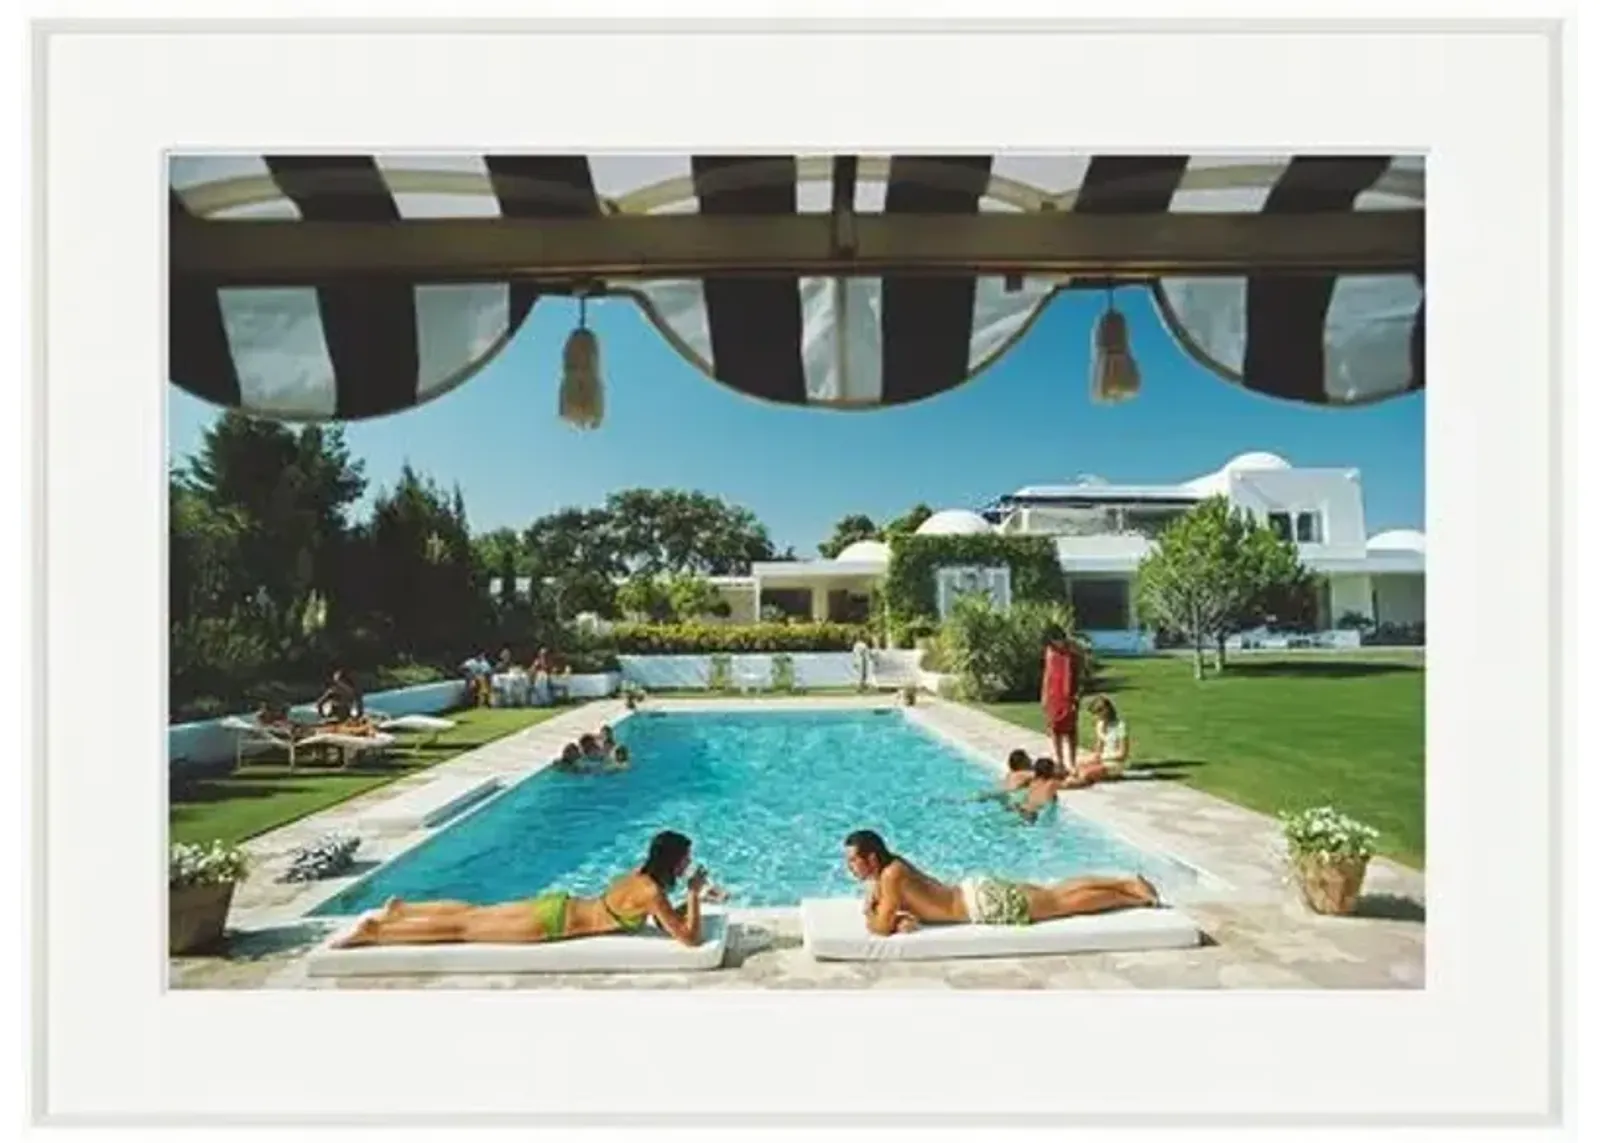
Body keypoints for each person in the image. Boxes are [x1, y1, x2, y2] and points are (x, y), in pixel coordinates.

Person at [333, 831, 722, 949]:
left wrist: (693, 894)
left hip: (560, 904)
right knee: (463, 931)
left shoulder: (641, 874)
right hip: (550, 924)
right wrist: (692, 894)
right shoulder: (653, 893)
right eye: (685, 859)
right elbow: (688, 938)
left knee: (474, 912)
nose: (688, 864)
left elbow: (658, 914)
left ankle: (403, 910)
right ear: (672, 860)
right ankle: (377, 931)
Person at [842, 828, 1159, 935]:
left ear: (871, 858)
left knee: (1061, 903)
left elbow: (880, 928)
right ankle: (1127, 883)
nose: (850, 867)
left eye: (853, 861)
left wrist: (872, 913)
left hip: (982, 905)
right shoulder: (892, 868)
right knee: (1054, 893)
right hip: (975, 892)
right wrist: (894, 916)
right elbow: (897, 915)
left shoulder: (891, 876)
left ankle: (1134, 896)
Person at [1062, 695, 1132, 789]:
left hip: (1114, 762)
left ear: (1105, 711)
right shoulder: (1100, 724)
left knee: (1085, 773)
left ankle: (1068, 784)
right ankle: (1068, 780)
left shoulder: (1120, 726)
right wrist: (1093, 757)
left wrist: (1103, 757)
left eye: (1097, 713)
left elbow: (1122, 754)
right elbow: (1099, 747)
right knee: (1076, 765)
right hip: (1102, 759)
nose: (1096, 717)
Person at [1040, 626, 1080, 777]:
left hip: (1069, 694)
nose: (1056, 644)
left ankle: (1073, 762)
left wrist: (1077, 694)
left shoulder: (1073, 652)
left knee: (1071, 729)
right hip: (1053, 695)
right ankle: (1060, 762)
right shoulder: (1050, 652)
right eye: (1052, 641)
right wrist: (1044, 695)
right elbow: (1047, 674)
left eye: (1057, 640)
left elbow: (1078, 674)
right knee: (1055, 728)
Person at [1009, 758, 1063, 823]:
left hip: (1019, 807)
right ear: (1051, 771)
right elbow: (1072, 784)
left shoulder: (1033, 781)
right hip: (1031, 814)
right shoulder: (1052, 783)